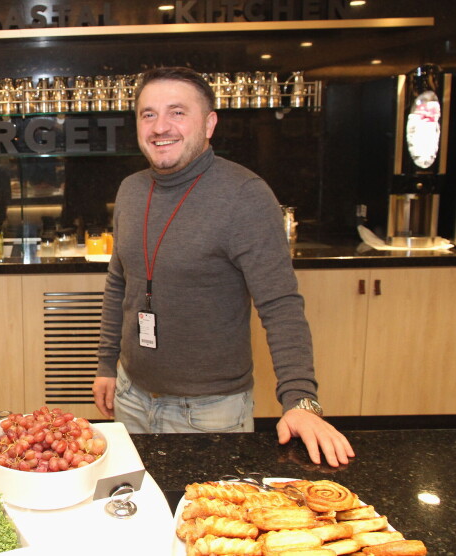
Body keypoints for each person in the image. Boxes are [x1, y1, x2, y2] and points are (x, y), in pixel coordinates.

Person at [92, 66, 354, 468]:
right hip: (131, 395)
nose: (160, 126)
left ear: (209, 123)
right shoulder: (131, 189)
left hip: (207, 413)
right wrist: (107, 364)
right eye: (148, 114)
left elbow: (281, 304)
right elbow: (118, 283)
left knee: (208, 527)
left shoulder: (244, 196)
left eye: (177, 112)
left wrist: (301, 400)